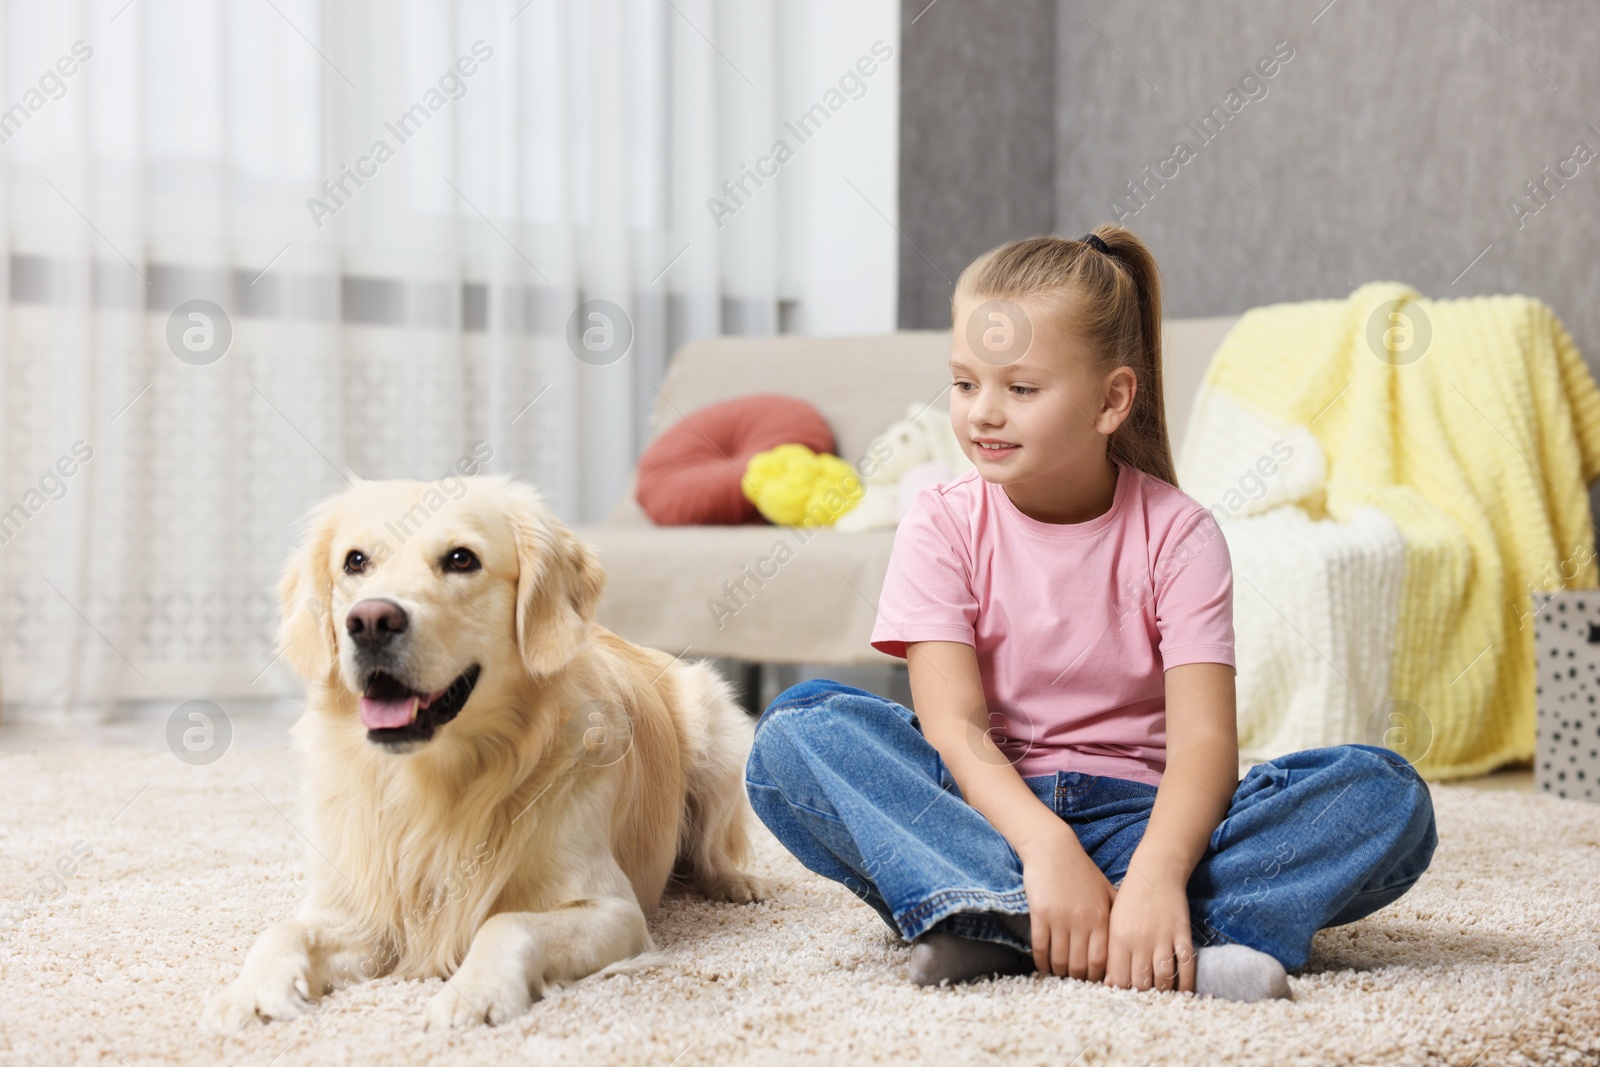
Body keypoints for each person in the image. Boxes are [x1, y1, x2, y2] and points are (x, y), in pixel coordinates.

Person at [743, 226, 1438, 1001]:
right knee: (797, 732)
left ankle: (1024, 928)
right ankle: (1127, 932)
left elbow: (1205, 741)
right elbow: (954, 727)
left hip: (1145, 822)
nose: (983, 414)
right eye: (966, 383)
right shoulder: (941, 519)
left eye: (1021, 388)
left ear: (1112, 399)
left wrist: (1156, 875)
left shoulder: (1180, 533)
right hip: (993, 817)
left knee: (1385, 792)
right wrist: (1045, 849)